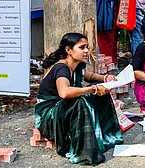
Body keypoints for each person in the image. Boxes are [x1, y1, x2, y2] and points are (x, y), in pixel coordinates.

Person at [34, 33, 123, 165]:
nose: (86, 50)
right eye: (82, 47)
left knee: (99, 92)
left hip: (62, 108)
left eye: (87, 47)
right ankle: (83, 152)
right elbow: (64, 93)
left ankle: (103, 136)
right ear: (68, 50)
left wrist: (104, 79)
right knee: (80, 101)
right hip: (49, 116)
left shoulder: (76, 64)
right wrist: (93, 89)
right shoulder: (61, 68)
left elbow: (88, 76)